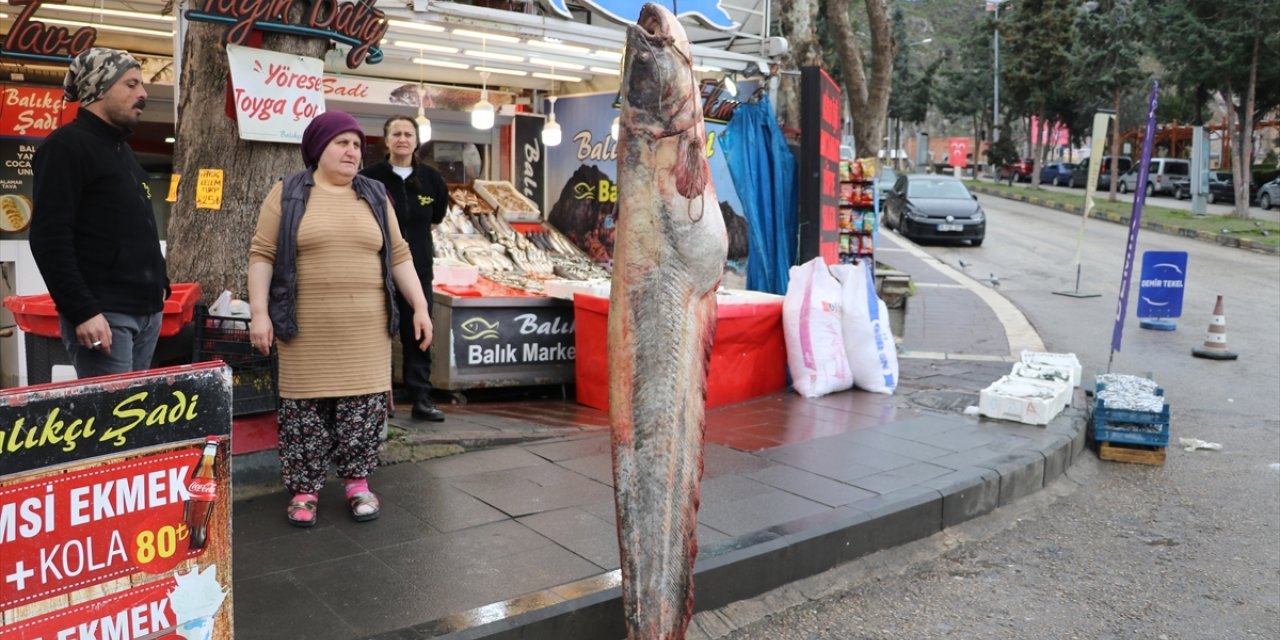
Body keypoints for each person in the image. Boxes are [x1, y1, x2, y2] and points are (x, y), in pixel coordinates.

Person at [247, 111, 433, 527]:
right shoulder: (289, 193)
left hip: (366, 332)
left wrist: (420, 307)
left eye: (355, 144)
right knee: (304, 415)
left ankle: (357, 484)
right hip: (304, 331)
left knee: (362, 411)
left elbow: (400, 255)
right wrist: (259, 313)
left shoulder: (374, 193)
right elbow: (262, 254)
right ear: (318, 149)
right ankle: (305, 490)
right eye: (341, 143)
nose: (352, 151)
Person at [29, 48, 168, 378]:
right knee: (112, 424)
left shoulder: (122, 150)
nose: (143, 94)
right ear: (99, 89)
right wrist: (82, 311)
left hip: (146, 313)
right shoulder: (65, 147)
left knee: (134, 422)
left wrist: (160, 283)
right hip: (105, 316)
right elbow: (49, 238)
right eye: (131, 84)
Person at [360, 115, 449, 422]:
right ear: (386, 140)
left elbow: (436, 217)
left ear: (416, 140)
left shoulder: (432, 180)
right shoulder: (369, 177)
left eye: (408, 133)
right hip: (377, 270)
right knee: (379, 334)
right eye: (395, 133)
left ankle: (421, 398)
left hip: (420, 270)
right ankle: (380, 400)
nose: (402, 138)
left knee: (419, 333)